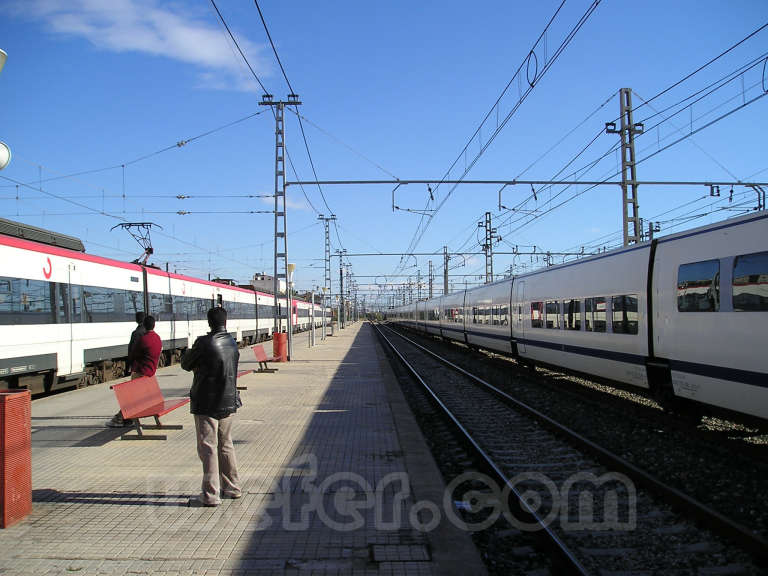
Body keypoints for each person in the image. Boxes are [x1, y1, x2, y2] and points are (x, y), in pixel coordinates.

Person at [181, 307, 242, 507]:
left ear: (209, 322)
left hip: (206, 402)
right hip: (228, 400)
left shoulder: (204, 343)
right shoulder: (232, 343)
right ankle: (232, 487)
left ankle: (210, 495)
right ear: (226, 322)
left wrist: (190, 354)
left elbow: (186, 364)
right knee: (226, 444)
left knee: (208, 447)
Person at [107, 311, 151, 428]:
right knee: (136, 395)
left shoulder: (137, 333)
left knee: (133, 396)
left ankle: (121, 418)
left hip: (139, 369)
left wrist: (129, 366)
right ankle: (128, 418)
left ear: (136, 320)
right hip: (147, 371)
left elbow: (132, 352)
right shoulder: (148, 333)